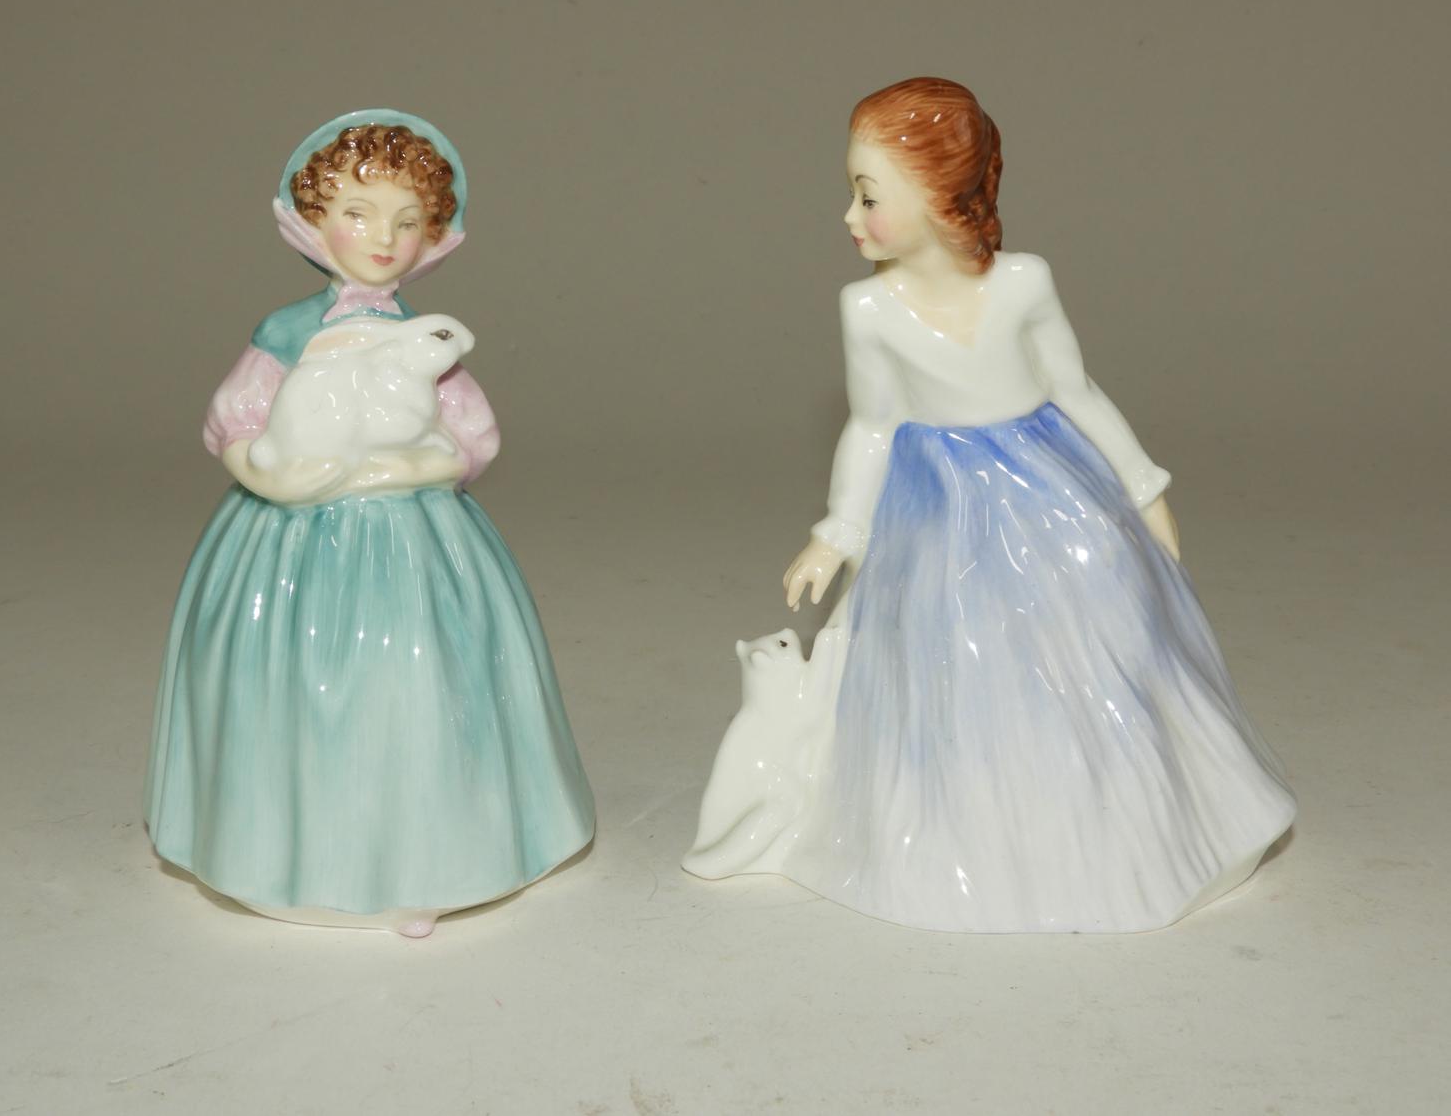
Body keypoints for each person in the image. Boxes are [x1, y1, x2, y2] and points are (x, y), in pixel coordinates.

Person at [685, 79, 1295, 933]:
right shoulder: (867, 308)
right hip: (938, 512)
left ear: (938, 198)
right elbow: (872, 425)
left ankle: (1108, 824)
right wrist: (838, 531)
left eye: (867, 195)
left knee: (1095, 639)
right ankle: (968, 831)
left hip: (1047, 485)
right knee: (952, 663)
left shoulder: (1024, 283)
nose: (849, 216)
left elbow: (1075, 389)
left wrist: (1143, 485)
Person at [145, 110, 595, 937]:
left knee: (418, 681)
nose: (383, 239)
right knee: (278, 683)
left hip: (412, 543)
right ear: (312, 220)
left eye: (407, 221)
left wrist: (404, 469)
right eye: (359, 213)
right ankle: (271, 852)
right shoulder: (288, 332)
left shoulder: (423, 341)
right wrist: (269, 475)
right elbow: (233, 421)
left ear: (436, 236)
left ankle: (426, 860)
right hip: (289, 542)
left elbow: (472, 439)